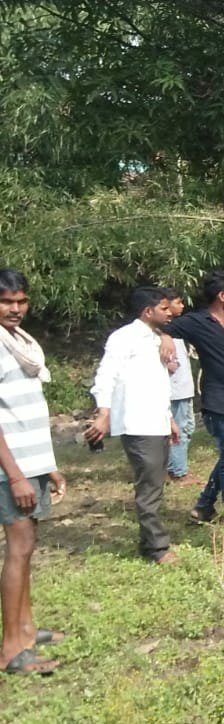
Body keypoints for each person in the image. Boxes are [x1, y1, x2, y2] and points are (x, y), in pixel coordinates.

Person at [0, 268, 67, 675]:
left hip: (31, 463)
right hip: (11, 470)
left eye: (21, 301)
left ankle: (26, 629)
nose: (16, 309)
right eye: (7, 302)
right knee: (19, 548)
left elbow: (25, 413)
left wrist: (48, 467)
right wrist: (16, 476)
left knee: (27, 546)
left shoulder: (20, 343)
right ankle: (11, 649)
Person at [86, 286, 183, 563]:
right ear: (147, 311)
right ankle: (157, 548)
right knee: (149, 487)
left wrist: (170, 418)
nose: (170, 312)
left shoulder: (157, 338)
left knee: (154, 484)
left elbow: (157, 384)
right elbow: (106, 375)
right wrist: (103, 413)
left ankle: (148, 543)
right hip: (137, 423)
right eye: (164, 308)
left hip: (157, 421)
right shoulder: (123, 338)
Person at [167, 271, 224, 527]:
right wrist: (163, 337)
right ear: (221, 295)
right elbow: (161, 327)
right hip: (218, 401)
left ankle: (204, 505)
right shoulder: (196, 322)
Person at [161, 287, 198, 485]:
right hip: (174, 391)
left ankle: (173, 467)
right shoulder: (161, 333)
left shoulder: (176, 330)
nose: (182, 306)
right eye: (178, 302)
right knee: (180, 429)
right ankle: (178, 471)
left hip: (183, 389)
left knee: (186, 427)